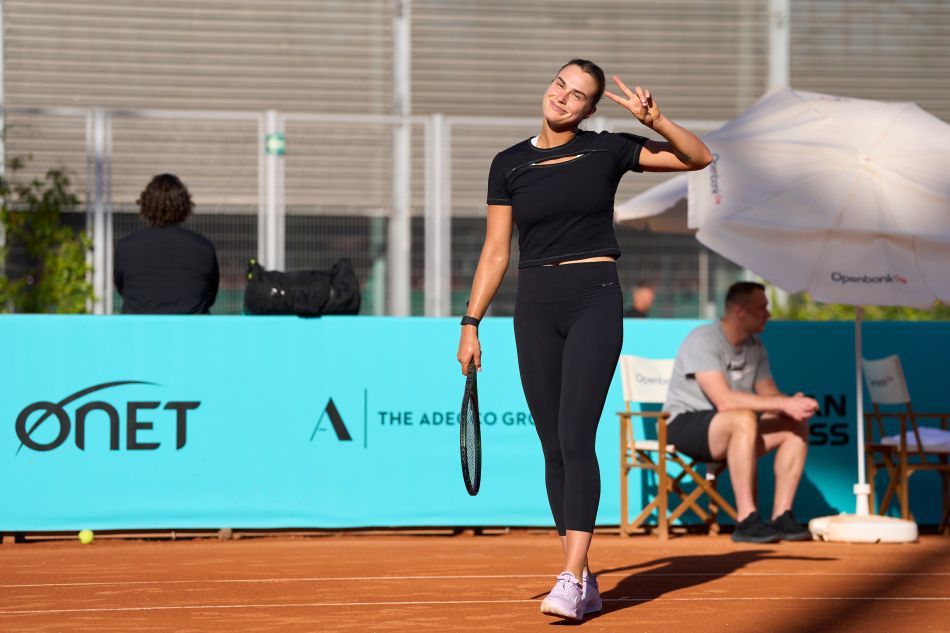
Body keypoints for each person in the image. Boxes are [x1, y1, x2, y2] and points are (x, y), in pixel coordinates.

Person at [456, 59, 712, 622]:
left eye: (577, 95)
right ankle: (584, 576)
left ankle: (570, 576)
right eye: (559, 85)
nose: (563, 98)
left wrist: (656, 120)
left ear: (590, 109)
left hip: (594, 298)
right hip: (534, 306)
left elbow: (699, 158)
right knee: (553, 445)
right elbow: (496, 251)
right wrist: (470, 323)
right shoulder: (508, 163)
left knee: (576, 436)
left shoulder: (607, 149)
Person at [663, 281, 818, 543]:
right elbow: (724, 401)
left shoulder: (756, 346)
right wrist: (783, 404)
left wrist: (794, 403)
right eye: (761, 308)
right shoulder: (702, 339)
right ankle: (746, 519)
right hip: (684, 426)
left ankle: (782, 515)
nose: (768, 314)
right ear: (739, 311)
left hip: (733, 430)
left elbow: (769, 394)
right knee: (743, 417)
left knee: (795, 425)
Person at [114, 174, 219, 314]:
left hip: (138, 326)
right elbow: (210, 296)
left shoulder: (126, 247)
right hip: (191, 326)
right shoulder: (204, 247)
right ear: (184, 206)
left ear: (146, 205)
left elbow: (122, 289)